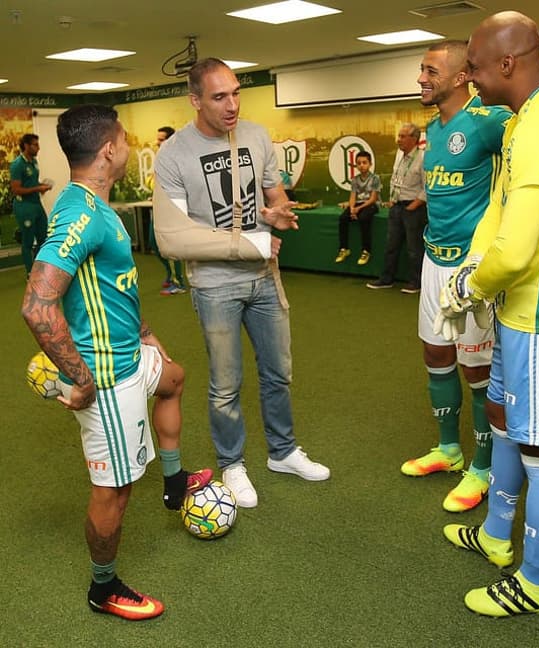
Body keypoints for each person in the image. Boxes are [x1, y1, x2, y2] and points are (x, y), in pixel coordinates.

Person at [439, 11, 539, 617]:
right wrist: (473, 265)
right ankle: (496, 535)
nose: (470, 79)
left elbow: (517, 247)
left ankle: (535, 582)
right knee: (505, 419)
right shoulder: (523, 119)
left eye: (475, 69)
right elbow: (499, 214)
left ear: (507, 64)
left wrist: (472, 283)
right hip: (519, 309)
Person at [21, 104, 213, 621]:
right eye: (125, 139)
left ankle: (174, 485)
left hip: (132, 354)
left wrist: (145, 330)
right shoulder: (80, 214)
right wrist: (81, 381)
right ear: (109, 148)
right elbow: (37, 305)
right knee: (115, 490)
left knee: (173, 379)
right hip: (106, 378)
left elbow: (111, 284)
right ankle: (103, 588)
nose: (129, 147)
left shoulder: (95, 205)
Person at [154, 58, 330, 509]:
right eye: (219, 97)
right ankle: (232, 463)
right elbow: (172, 239)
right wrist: (248, 242)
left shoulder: (254, 135)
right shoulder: (173, 155)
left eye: (236, 93)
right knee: (226, 384)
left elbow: (275, 198)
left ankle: (283, 451)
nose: (232, 104)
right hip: (215, 285)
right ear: (195, 100)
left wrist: (277, 214)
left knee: (278, 373)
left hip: (264, 280)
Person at [400, 41, 511, 513]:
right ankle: (449, 450)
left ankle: (483, 468)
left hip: (473, 268)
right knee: (435, 351)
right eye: (421, 70)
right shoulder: (431, 128)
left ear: (462, 75)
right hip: (433, 260)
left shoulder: (489, 122)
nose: (422, 79)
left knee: (477, 368)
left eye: (430, 70)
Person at [366, 123, 426, 293]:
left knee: (414, 248)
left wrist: (413, 206)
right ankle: (386, 279)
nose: (398, 140)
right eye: (398, 136)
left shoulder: (423, 158)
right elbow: (396, 179)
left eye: (402, 136)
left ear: (414, 139)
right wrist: (392, 200)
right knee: (391, 246)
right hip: (396, 206)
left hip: (413, 208)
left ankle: (416, 282)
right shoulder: (399, 155)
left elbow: (428, 186)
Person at [148, 126, 187, 295]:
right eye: (158, 139)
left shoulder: (176, 159)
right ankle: (171, 274)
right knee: (154, 244)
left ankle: (179, 283)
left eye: (162, 139)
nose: (158, 142)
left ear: (170, 141)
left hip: (170, 210)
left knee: (169, 247)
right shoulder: (160, 157)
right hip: (157, 207)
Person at [9, 133, 52, 277]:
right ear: (26, 146)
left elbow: (32, 183)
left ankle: (41, 269)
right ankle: (30, 273)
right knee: (27, 241)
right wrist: (37, 189)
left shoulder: (34, 162)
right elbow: (16, 190)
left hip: (36, 205)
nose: (38, 148)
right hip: (24, 207)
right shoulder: (17, 165)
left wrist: (42, 186)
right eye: (35, 145)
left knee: (43, 238)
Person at [334, 150, 381, 266]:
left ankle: (366, 251)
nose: (362, 165)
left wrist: (358, 210)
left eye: (364, 162)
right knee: (343, 218)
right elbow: (352, 197)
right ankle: (344, 249)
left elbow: (373, 199)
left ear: (370, 164)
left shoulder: (375, 178)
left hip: (371, 205)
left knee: (364, 218)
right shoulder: (355, 180)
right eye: (359, 163)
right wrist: (352, 209)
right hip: (358, 205)